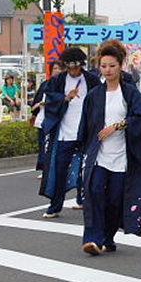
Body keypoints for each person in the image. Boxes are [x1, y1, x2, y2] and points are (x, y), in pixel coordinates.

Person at [78, 40, 141, 255]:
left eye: (112, 65)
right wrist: (81, 152)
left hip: (122, 157)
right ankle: (93, 239)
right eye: (103, 66)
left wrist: (117, 126)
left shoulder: (130, 92)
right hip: (99, 156)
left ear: (121, 65)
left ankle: (107, 236)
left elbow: (139, 117)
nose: (108, 70)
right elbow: (85, 126)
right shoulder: (94, 95)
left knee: (115, 200)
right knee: (94, 192)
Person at [39, 47, 101, 217]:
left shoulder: (92, 80)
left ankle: (87, 203)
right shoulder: (58, 81)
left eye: (77, 67)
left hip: (86, 133)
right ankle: (55, 205)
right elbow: (49, 101)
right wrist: (65, 98)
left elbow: (101, 103)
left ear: (82, 65)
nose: (73, 71)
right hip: (64, 133)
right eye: (70, 68)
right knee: (59, 170)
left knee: (87, 171)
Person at [32, 61, 64, 177]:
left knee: (56, 146)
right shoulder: (45, 84)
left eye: (59, 68)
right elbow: (36, 103)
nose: (57, 71)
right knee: (43, 145)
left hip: (58, 120)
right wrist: (39, 105)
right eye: (55, 68)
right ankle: (45, 169)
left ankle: (55, 169)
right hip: (43, 119)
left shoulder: (65, 85)